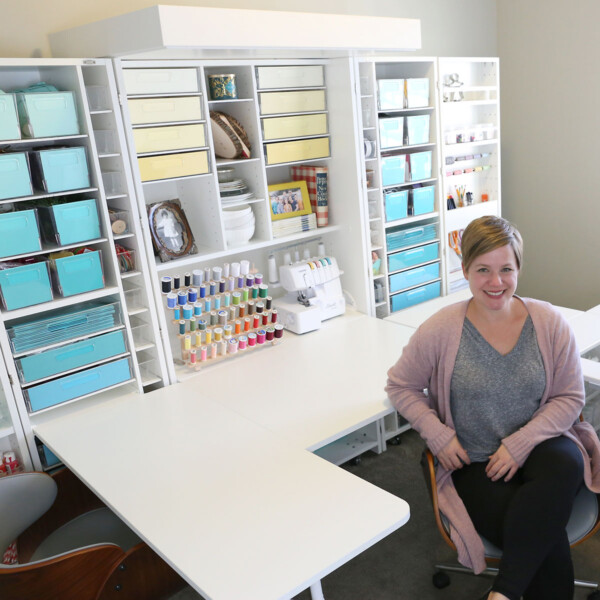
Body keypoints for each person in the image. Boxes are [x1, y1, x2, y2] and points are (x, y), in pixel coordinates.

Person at [386, 215, 600, 600]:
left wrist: (519, 444)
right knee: (541, 542)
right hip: (474, 459)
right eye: (483, 269)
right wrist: (437, 433)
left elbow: (570, 397)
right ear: (465, 268)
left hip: (541, 442)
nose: (496, 282)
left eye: (506, 269)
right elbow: (400, 386)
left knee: (567, 463)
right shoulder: (441, 329)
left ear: (519, 269)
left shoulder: (549, 323)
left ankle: (502, 594)